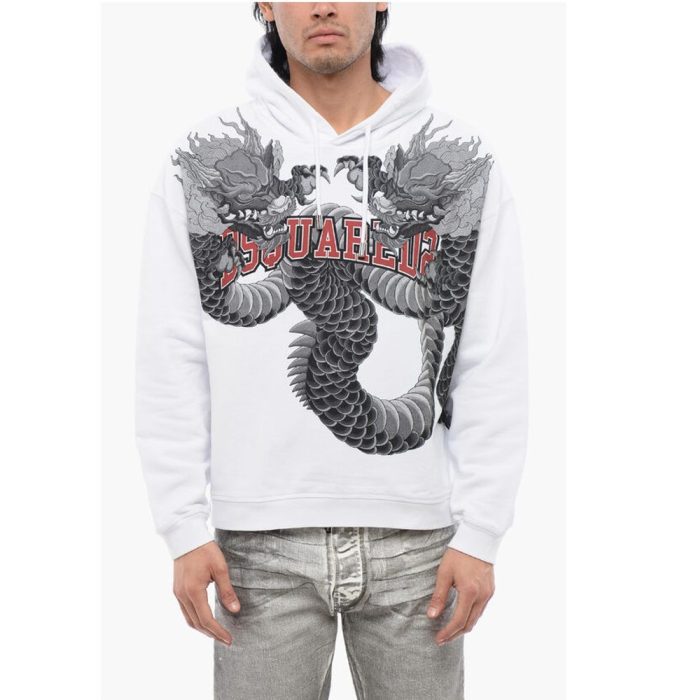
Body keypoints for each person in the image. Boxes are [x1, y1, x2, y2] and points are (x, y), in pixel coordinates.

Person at [134, 3, 529, 698]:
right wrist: (182, 526)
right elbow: (172, 349)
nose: (323, 6)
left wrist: (481, 532)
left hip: (420, 542)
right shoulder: (198, 160)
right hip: (256, 544)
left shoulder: (464, 160)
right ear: (263, 4)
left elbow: (491, 351)